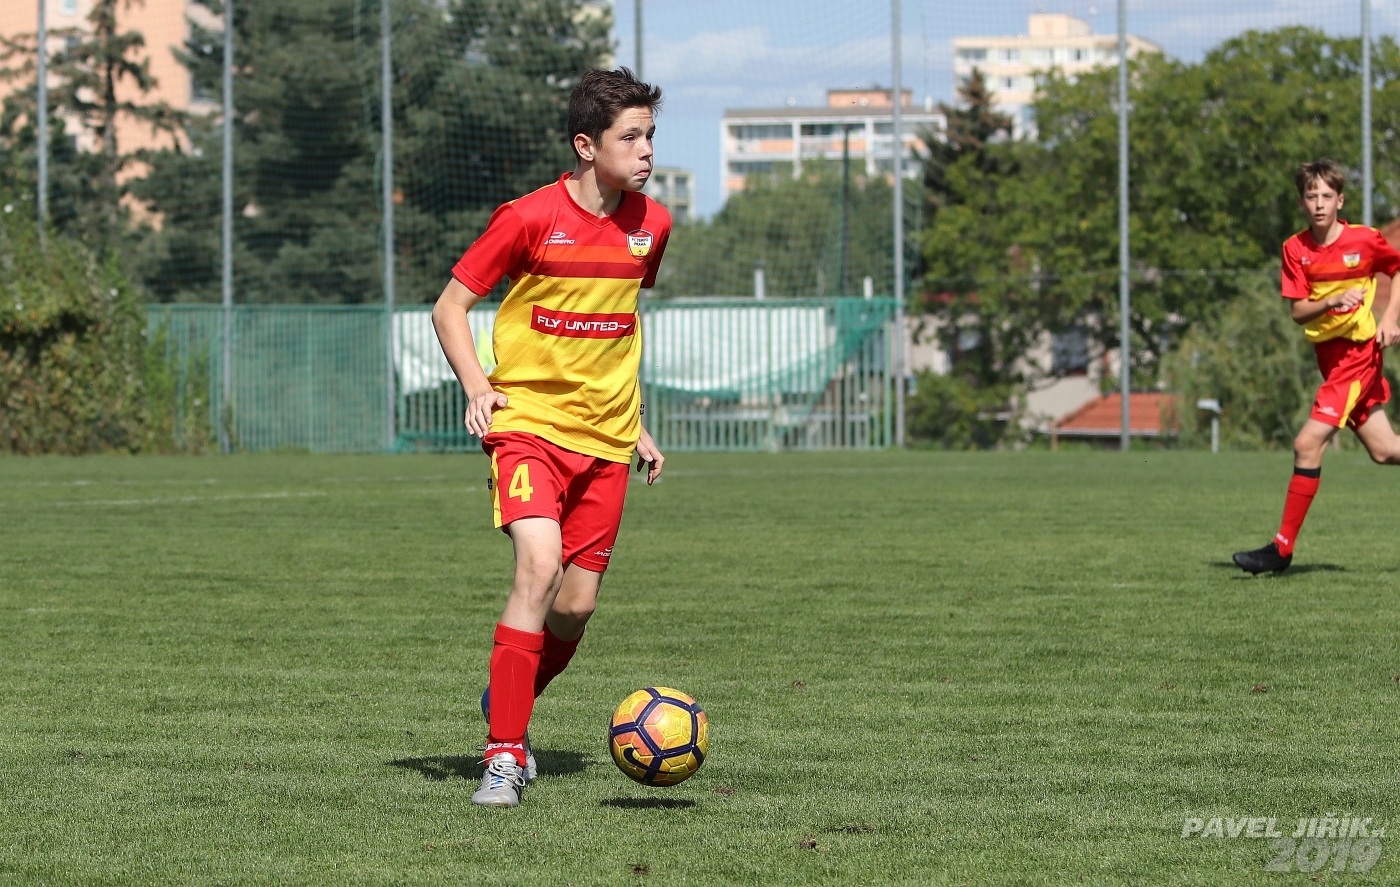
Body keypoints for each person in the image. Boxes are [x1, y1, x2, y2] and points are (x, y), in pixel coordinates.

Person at [431, 68, 670, 806]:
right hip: (528, 425)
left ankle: (506, 699)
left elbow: (613, 324)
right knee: (538, 567)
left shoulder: (653, 226)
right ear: (585, 145)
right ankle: (504, 753)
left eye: (650, 136)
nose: (645, 150)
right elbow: (449, 307)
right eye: (630, 137)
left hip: (607, 440)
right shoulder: (528, 218)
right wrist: (478, 387)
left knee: (575, 607)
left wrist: (636, 422)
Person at [1233, 159, 1400, 574]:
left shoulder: (1365, 240)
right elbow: (1298, 312)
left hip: (1358, 357)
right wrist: (1331, 300)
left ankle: (1281, 549)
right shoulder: (1295, 249)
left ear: (1340, 201)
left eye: (1327, 196)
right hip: (1331, 359)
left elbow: (1397, 269)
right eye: (1312, 196)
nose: (1320, 203)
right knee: (1385, 451)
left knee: (1306, 444)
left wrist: (1391, 319)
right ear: (1302, 203)